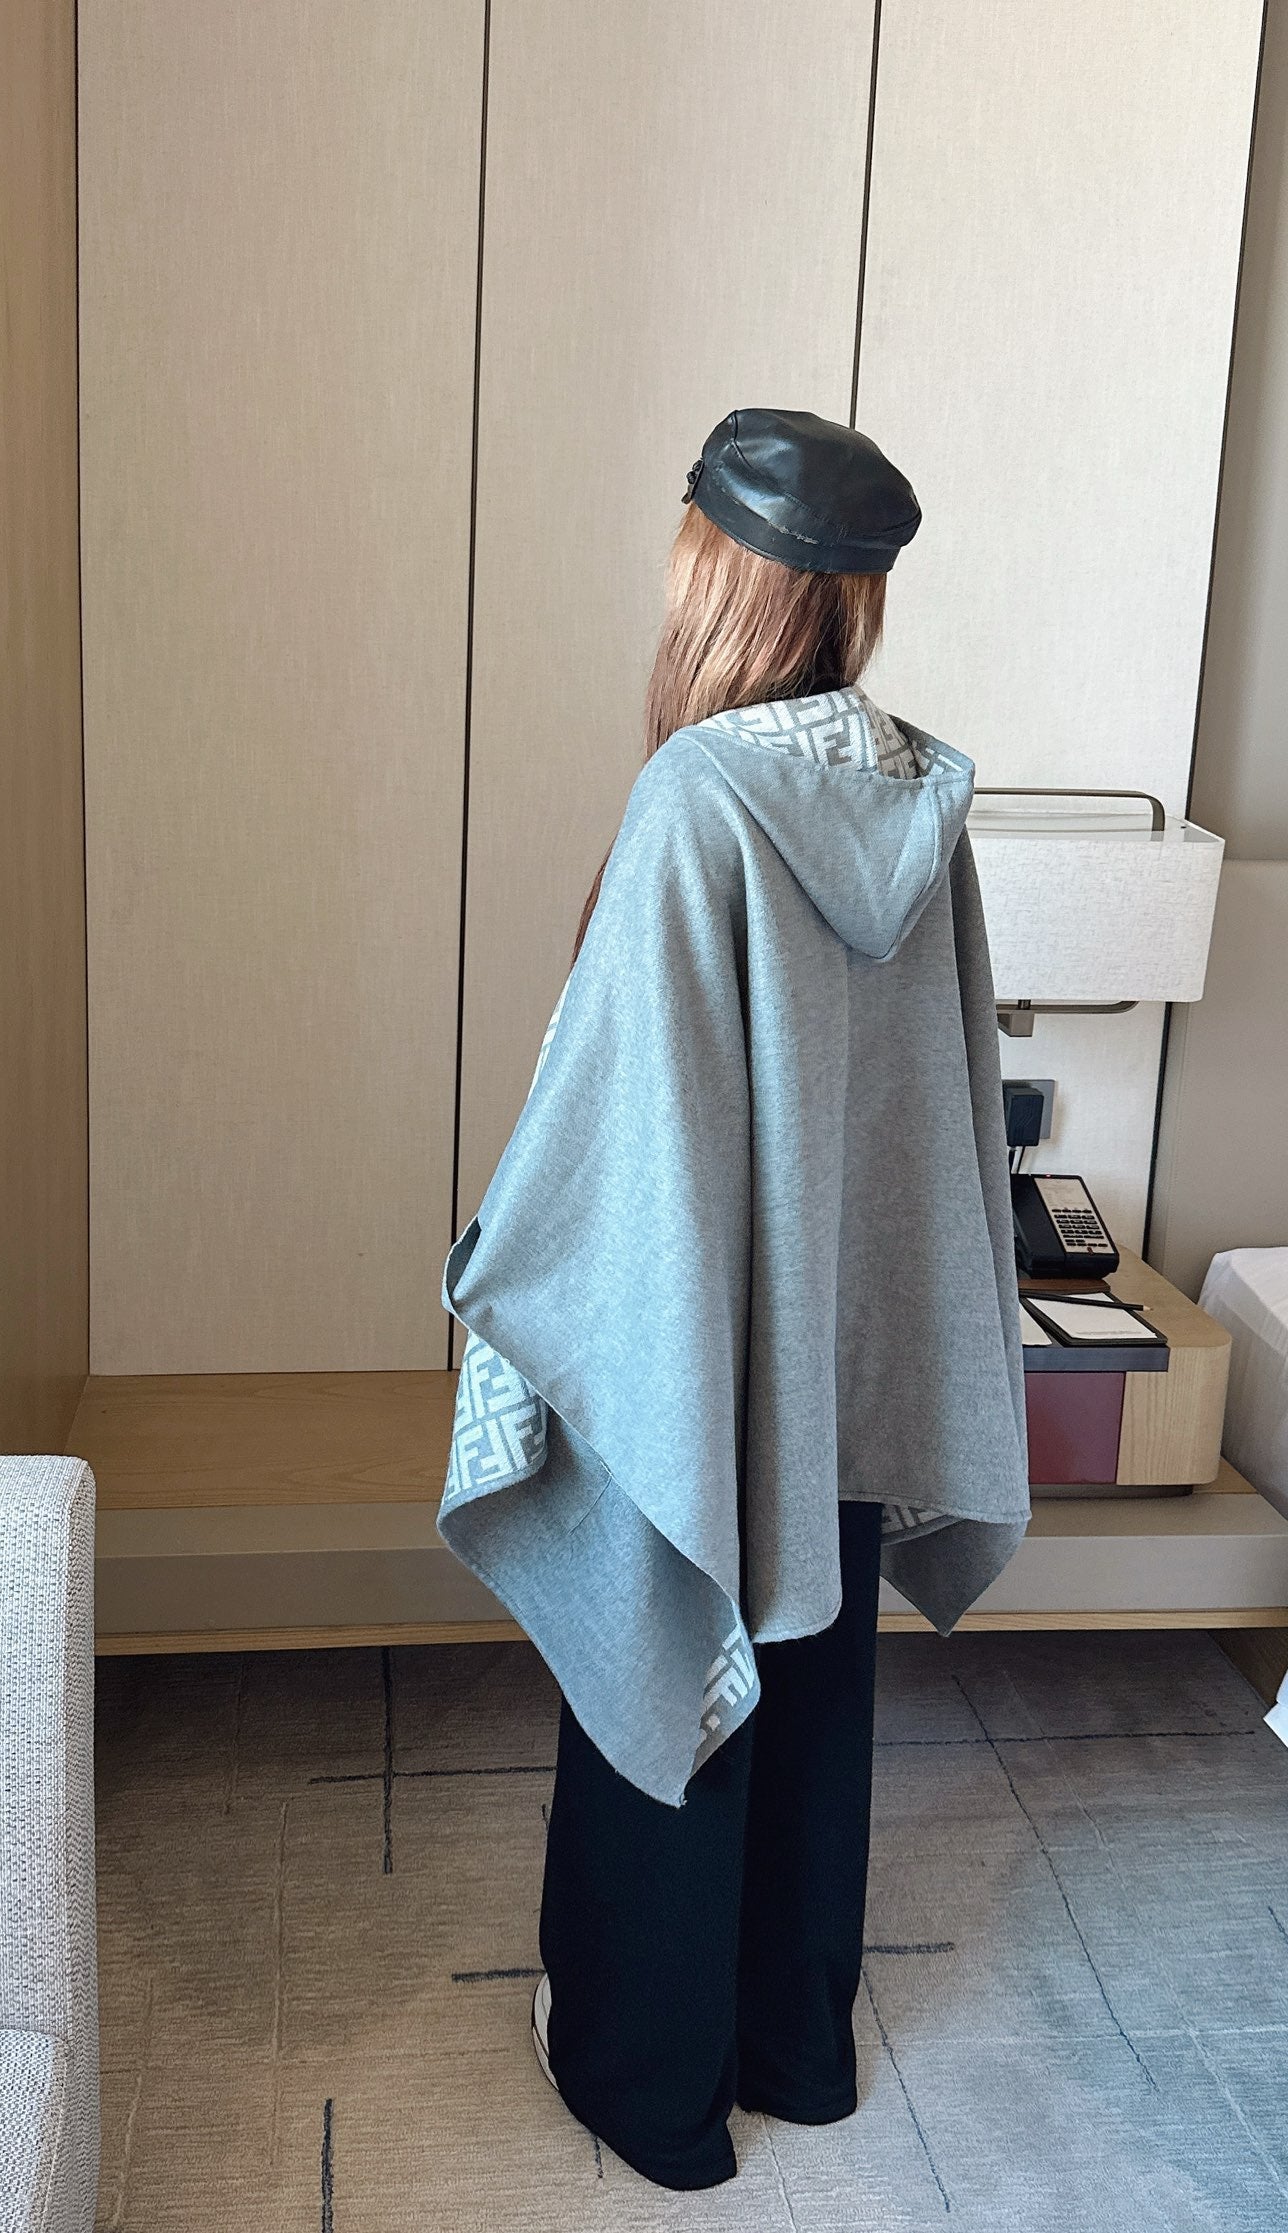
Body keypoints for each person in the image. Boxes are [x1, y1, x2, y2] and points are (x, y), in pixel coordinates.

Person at [437, 407, 1030, 2190]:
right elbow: (942, 1114)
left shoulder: (696, 797)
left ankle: (649, 2086)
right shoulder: (923, 800)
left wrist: (503, 1261)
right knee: (816, 1669)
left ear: (719, 576)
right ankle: (794, 2045)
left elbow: (610, 1123)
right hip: (840, 1356)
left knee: (668, 1632)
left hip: (699, 1346)